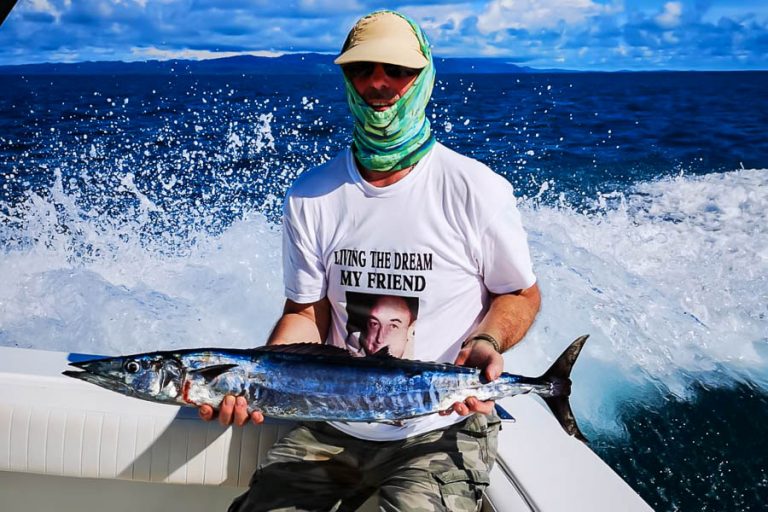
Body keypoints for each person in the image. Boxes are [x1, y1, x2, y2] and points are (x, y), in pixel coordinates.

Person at [199, 9, 541, 511]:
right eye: (362, 70)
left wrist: (487, 341)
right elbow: (305, 313)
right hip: (330, 428)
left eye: (396, 70)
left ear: (424, 78)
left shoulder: (476, 189)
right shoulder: (311, 195)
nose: (378, 83)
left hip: (440, 427)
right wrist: (259, 379)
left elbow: (520, 293)